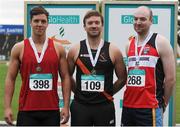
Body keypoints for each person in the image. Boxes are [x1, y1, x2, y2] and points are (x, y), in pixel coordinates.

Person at [4, 6, 71, 126]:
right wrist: (7, 107)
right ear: (30, 22)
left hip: (51, 110)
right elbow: (10, 78)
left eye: (43, 21)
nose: (39, 24)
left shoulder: (58, 48)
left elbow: (65, 77)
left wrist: (66, 106)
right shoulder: (19, 48)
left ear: (47, 24)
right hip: (26, 110)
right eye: (36, 21)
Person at [67, 10, 127, 126]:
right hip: (81, 106)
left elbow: (123, 78)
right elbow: (67, 76)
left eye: (97, 22)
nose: (94, 25)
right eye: (90, 23)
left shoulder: (113, 50)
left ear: (102, 25)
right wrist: (78, 92)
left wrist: (108, 92)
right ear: (84, 26)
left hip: (104, 106)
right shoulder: (75, 49)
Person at [121, 6, 176, 126]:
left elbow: (170, 79)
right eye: (135, 19)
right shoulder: (128, 44)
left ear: (151, 21)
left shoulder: (160, 42)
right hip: (128, 106)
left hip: (150, 107)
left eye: (142, 19)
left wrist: (163, 103)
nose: (138, 22)